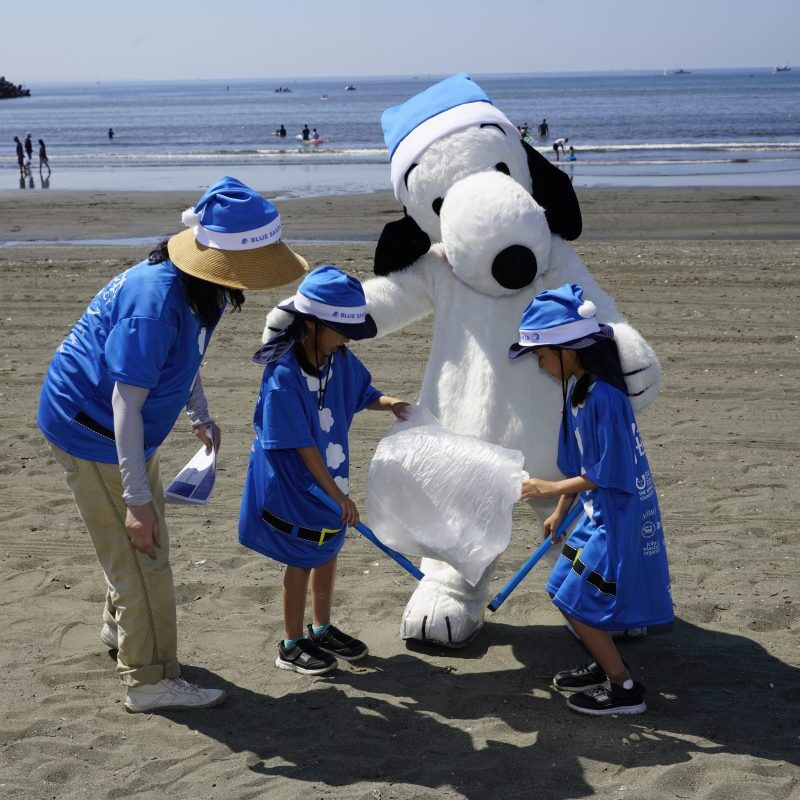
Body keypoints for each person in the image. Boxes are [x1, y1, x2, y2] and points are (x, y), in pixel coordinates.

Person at [37, 176, 308, 713]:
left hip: (124, 426)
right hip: (93, 430)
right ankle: (149, 679)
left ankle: (121, 631)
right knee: (144, 553)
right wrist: (136, 502)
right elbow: (125, 406)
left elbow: (182, 358)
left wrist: (198, 415)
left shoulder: (194, 288)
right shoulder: (154, 301)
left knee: (135, 544)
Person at [508, 284, 673, 716]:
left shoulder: (606, 398)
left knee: (577, 601)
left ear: (568, 350)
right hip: (595, 515)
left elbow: (607, 471)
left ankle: (624, 688)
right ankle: (605, 665)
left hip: (617, 517)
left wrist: (551, 491)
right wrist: (561, 513)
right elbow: (578, 460)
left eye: (542, 355)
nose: (541, 365)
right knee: (561, 588)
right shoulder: (579, 391)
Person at [239, 265, 410, 676]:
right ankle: (291, 642)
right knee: (301, 556)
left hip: (332, 482)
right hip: (298, 484)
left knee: (328, 548)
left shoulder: (339, 358)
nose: (348, 339)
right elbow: (299, 444)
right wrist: (337, 496)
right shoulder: (283, 376)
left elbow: (362, 392)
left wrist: (388, 404)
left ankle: (321, 627)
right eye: (341, 330)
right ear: (312, 324)